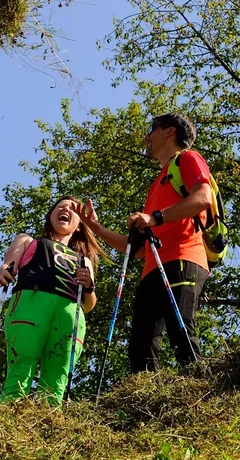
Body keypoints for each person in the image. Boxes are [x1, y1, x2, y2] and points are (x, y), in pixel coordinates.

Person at [77, 113, 215, 372]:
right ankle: (153, 406)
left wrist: (154, 217)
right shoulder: (157, 185)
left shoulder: (188, 158)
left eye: (152, 129)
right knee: (140, 347)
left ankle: (205, 394)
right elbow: (137, 250)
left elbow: (203, 197)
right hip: (152, 268)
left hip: (184, 258)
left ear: (169, 132)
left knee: (181, 330)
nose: (146, 137)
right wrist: (96, 228)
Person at [0, 196, 100, 405]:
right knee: (21, 361)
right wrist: (6, 271)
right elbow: (9, 264)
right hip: (31, 302)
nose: (66, 210)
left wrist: (89, 286)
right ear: (50, 215)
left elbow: (88, 305)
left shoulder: (83, 260)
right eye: (61, 207)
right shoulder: (28, 241)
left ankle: (50, 420)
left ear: (80, 225)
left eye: (73, 210)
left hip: (70, 312)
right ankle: (8, 415)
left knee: (58, 374)